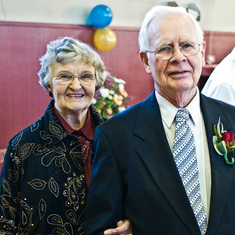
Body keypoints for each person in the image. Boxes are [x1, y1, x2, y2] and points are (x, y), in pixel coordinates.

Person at [84, 5, 235, 235]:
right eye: (165, 48)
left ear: (201, 52)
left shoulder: (232, 121)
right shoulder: (116, 137)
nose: (178, 57)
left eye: (187, 45)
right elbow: (99, 228)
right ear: (146, 60)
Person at [0, 37, 131, 234]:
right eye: (64, 76)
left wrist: (130, 224)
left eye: (86, 76)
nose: (76, 85)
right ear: (49, 85)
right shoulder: (22, 146)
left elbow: (137, 200)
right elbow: (5, 221)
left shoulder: (118, 138)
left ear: (96, 84)